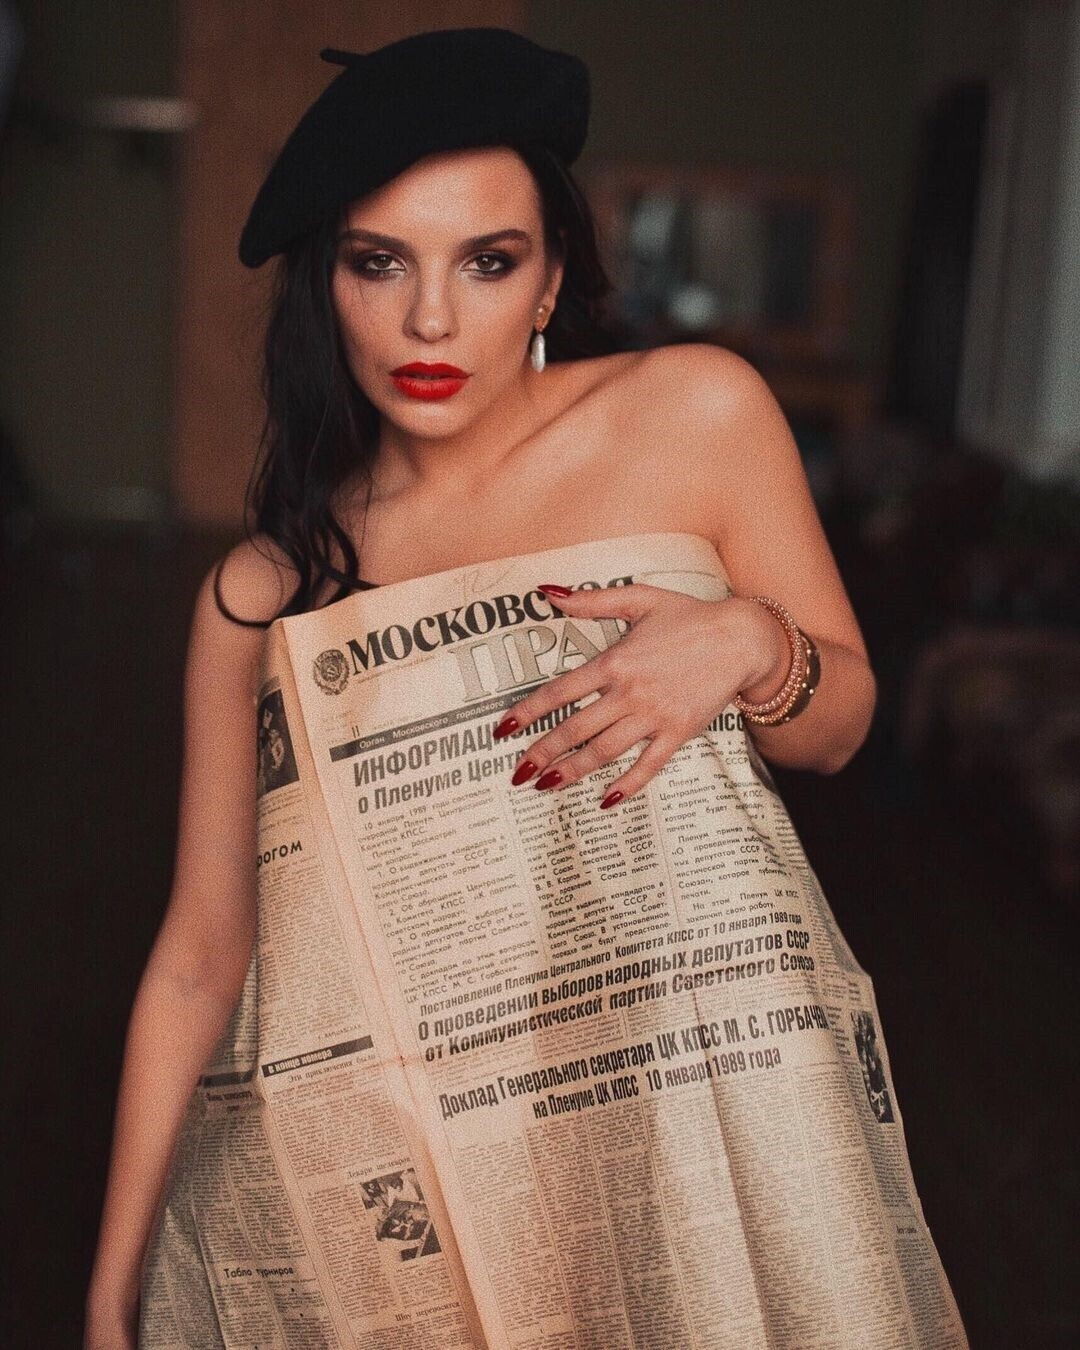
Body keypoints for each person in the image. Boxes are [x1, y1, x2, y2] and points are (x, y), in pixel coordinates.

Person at [85, 27, 965, 1349]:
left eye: (487, 262)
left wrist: (747, 643)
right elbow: (201, 958)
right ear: (326, 284)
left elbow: (839, 728)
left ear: (551, 279)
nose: (431, 321)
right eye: (380, 263)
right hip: (393, 1181)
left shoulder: (693, 412)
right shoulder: (260, 592)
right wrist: (110, 1295)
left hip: (684, 1115)